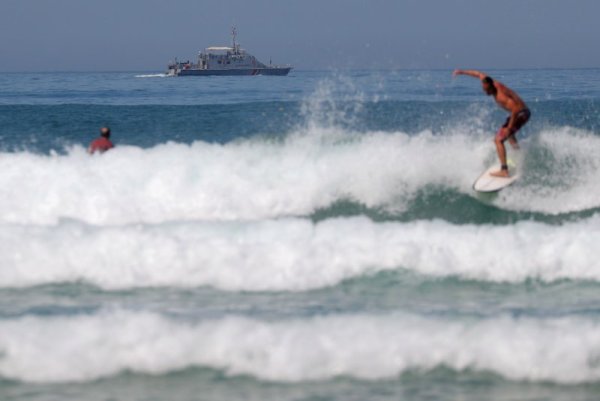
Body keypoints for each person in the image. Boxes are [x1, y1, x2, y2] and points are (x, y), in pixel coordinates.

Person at [453, 69, 530, 177]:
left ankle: (504, 170)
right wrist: (462, 72)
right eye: (484, 90)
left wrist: (509, 127)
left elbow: (515, 109)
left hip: (521, 114)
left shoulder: (501, 96)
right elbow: (478, 74)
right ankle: (519, 155)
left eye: (488, 90)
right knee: (509, 134)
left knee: (498, 140)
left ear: (492, 86)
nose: (486, 93)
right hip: (520, 112)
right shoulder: (490, 81)